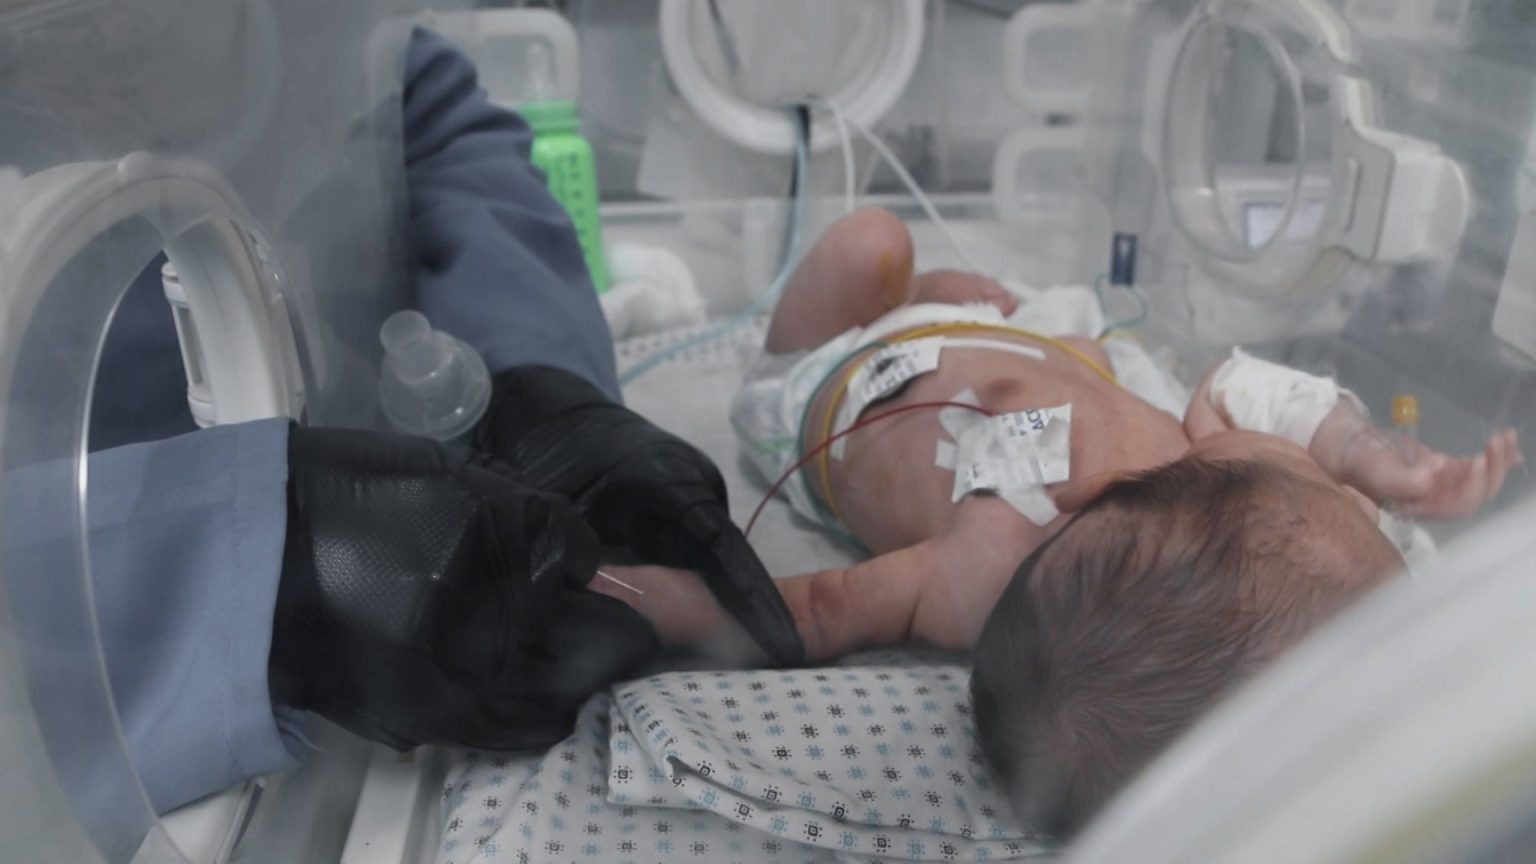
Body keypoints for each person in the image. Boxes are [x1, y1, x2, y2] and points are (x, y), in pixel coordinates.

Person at [592, 206, 1522, 836]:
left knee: (870, 245)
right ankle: (958, 306)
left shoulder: (970, 572)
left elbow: (814, 609)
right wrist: (1365, 448)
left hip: (820, 371)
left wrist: (627, 591)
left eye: (1325, 484)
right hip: (1010, 336)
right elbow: (1242, 391)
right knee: (1062, 334)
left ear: (1115, 495)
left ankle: (925, 305)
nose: (1355, 495)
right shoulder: (1181, 481)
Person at [70, 28, 801, 817]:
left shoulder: (321, 34)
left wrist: (533, 374)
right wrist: (237, 570)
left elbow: (422, 113)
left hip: (405, 494)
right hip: (90, 661)